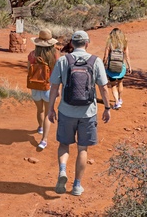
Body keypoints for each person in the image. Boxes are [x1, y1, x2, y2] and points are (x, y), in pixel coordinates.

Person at [47, 30, 112, 196]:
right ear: (87, 43)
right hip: (88, 113)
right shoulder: (95, 61)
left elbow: (54, 87)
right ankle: (77, 185)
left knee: (64, 144)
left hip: (66, 111)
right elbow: (104, 87)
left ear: (71, 44)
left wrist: (50, 109)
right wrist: (107, 107)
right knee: (83, 149)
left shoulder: (63, 61)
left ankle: (62, 171)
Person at [27, 29, 59, 152]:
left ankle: (40, 127)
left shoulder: (32, 54)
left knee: (39, 110)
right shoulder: (55, 55)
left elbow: (28, 69)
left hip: (35, 86)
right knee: (48, 113)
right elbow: (57, 74)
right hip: (49, 87)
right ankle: (44, 140)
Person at [103, 28, 132, 110]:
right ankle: (119, 98)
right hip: (121, 67)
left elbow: (105, 57)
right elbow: (127, 56)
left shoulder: (109, 43)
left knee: (113, 85)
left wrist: (103, 65)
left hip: (111, 67)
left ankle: (116, 102)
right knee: (120, 82)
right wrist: (129, 66)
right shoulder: (124, 43)